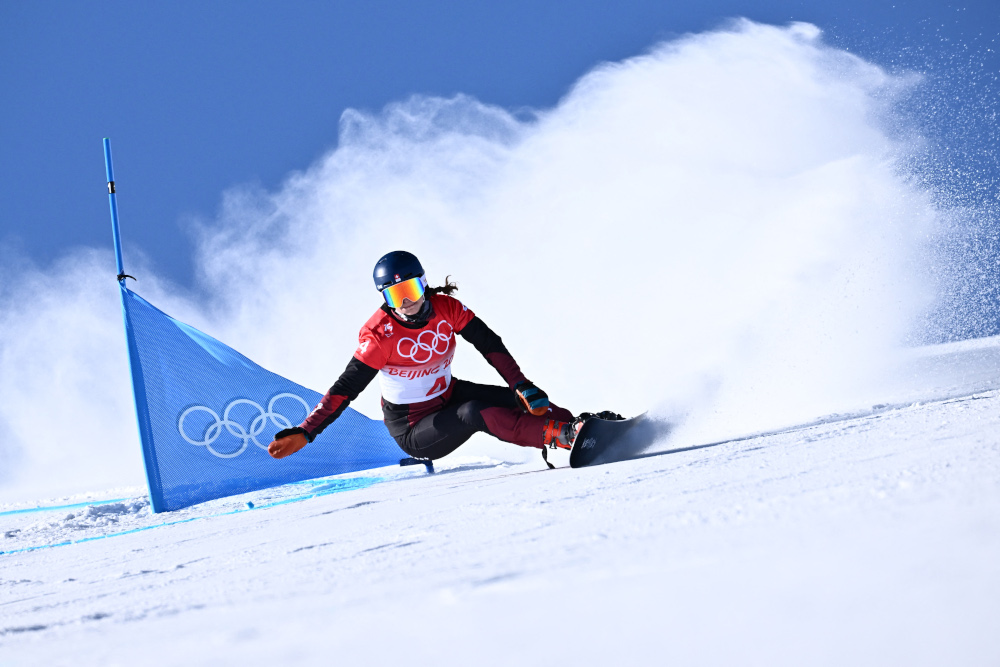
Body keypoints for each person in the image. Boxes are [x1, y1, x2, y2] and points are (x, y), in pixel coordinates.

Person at [267, 250, 618, 465]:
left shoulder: (446, 308)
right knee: (475, 413)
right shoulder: (379, 337)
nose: (407, 304)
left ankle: (578, 427)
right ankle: (566, 437)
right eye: (395, 296)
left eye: (412, 291)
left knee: (516, 398)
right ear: (385, 300)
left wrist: (521, 384)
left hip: (447, 394)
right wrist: (306, 431)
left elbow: (488, 343)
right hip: (414, 428)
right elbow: (344, 390)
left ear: (424, 284)